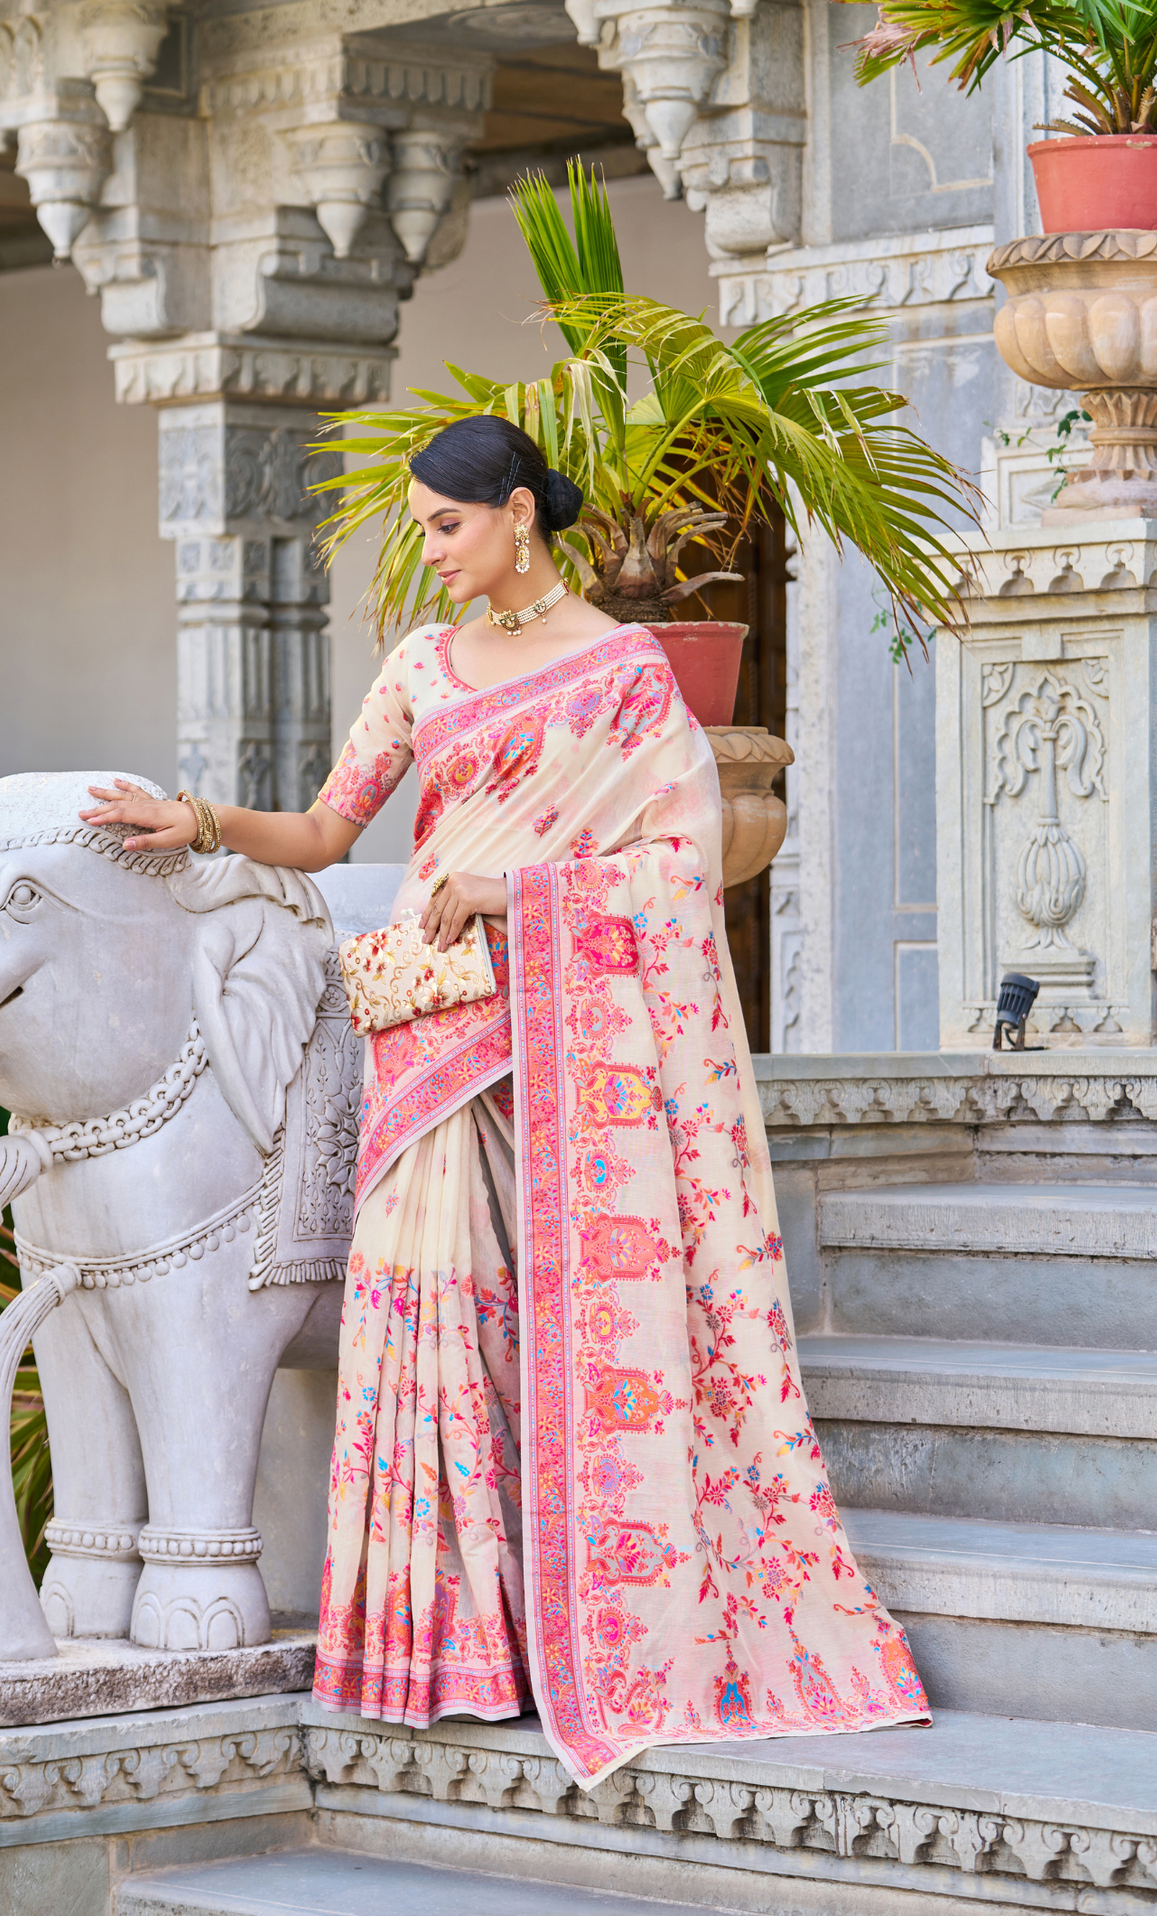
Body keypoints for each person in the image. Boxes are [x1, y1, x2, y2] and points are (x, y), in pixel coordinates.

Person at [82, 413, 928, 1789]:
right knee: (428, 1320)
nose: (430, 549)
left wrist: (514, 893)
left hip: (562, 1043)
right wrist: (202, 822)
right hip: (433, 1029)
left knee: (558, 1336)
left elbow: (681, 866)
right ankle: (445, 1644)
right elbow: (326, 831)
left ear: (520, 511)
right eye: (423, 526)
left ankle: (567, 1629)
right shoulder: (423, 666)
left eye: (445, 524)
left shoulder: (624, 674)